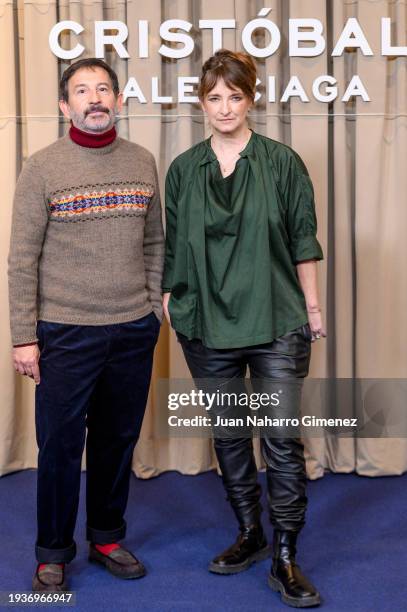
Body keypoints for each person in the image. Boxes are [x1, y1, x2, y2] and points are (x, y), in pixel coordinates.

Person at [162, 49, 325, 608]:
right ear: (201, 103)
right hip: (205, 322)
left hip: (278, 317)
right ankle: (250, 533)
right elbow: (173, 243)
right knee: (231, 435)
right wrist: (169, 298)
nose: (225, 107)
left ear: (251, 98)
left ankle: (285, 556)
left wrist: (314, 308)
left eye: (235, 96)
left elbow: (303, 239)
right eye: (214, 98)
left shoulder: (282, 162)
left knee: (280, 441)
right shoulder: (184, 169)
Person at [8, 58, 164, 592]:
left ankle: (106, 537)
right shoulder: (42, 167)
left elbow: (155, 243)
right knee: (58, 447)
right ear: (64, 105)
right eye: (82, 91)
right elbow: (22, 259)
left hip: (132, 329)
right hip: (64, 332)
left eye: (103, 89)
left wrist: (150, 307)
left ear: (118, 101)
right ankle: (52, 551)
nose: (94, 98)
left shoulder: (143, 162)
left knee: (117, 441)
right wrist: (24, 336)